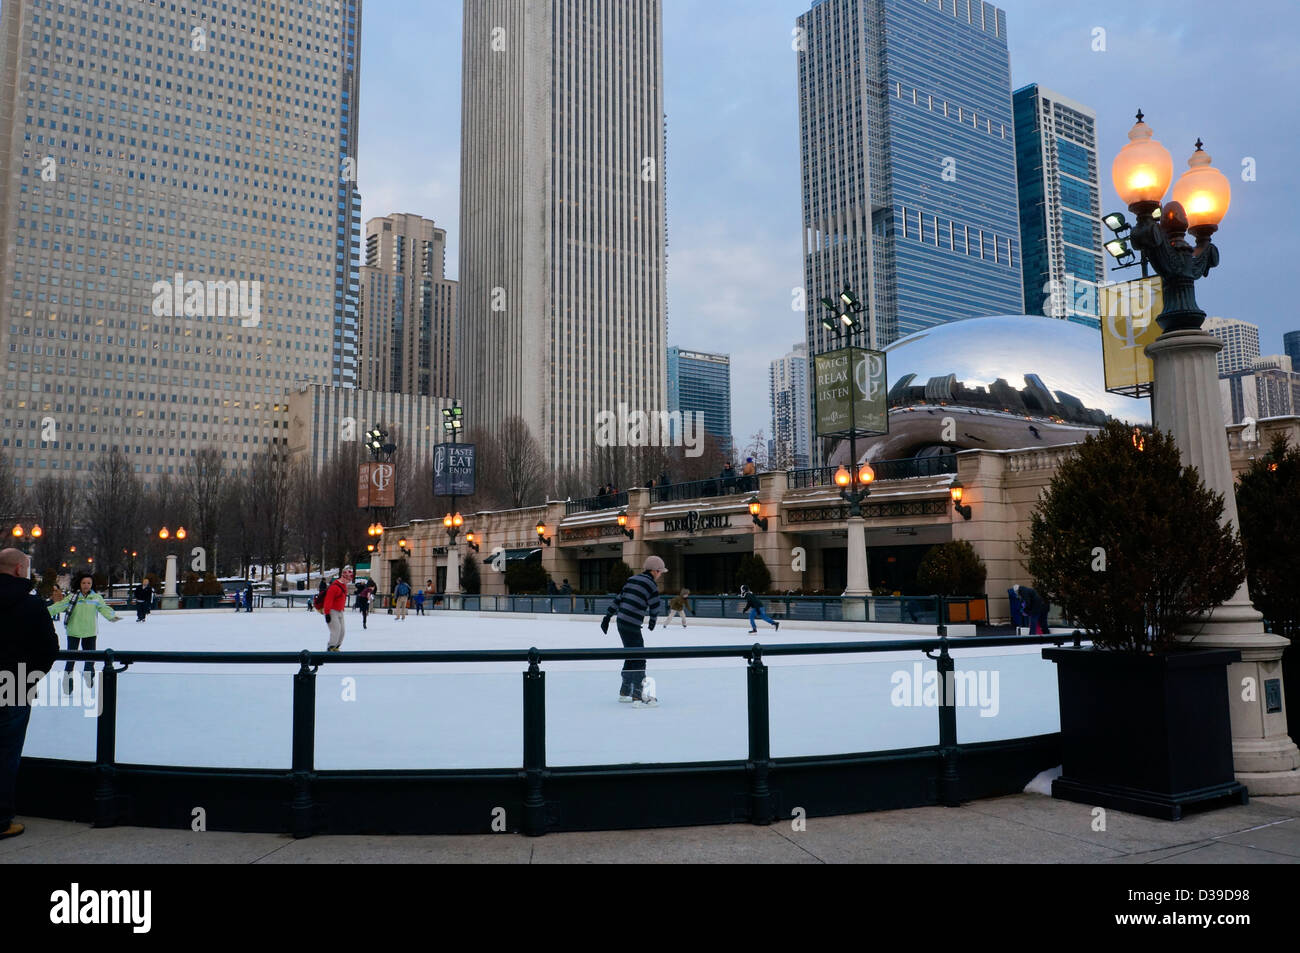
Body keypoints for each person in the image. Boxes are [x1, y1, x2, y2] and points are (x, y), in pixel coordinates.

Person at [0, 548, 59, 841]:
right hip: (13, 688)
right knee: (7, 754)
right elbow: (49, 649)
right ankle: (1, 819)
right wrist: (27, 679)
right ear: (19, 570)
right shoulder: (32, 605)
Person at [600, 555, 665, 707]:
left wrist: (607, 616)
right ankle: (638, 696)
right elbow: (655, 605)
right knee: (639, 658)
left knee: (630, 656)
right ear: (655, 571)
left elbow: (618, 599)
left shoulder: (632, 580)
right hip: (632, 624)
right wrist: (653, 621)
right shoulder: (651, 585)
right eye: (660, 571)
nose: (661, 574)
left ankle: (625, 692)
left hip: (622, 622)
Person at [48, 571, 120, 693]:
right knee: (71, 659)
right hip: (74, 631)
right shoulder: (73, 597)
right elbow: (59, 606)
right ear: (79, 584)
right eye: (84, 583)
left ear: (92, 584)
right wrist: (44, 612)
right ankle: (68, 681)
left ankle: (89, 675)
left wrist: (111, 616)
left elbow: (104, 608)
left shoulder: (96, 598)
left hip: (90, 632)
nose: (86, 585)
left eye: (89, 583)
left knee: (90, 658)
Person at [322, 567, 353, 651]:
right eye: (348, 579)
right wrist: (327, 613)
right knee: (336, 630)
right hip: (332, 611)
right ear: (343, 577)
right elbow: (328, 601)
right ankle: (331, 647)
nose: (349, 582)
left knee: (342, 631)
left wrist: (342, 608)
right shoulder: (334, 587)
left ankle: (336, 646)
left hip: (340, 611)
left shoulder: (344, 586)